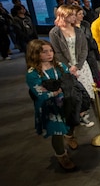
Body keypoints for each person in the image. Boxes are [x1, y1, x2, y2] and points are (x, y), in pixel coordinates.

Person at [25, 39, 77, 170]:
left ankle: (69, 136)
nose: (49, 54)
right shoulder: (33, 73)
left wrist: (60, 88)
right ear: (35, 54)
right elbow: (40, 94)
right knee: (57, 131)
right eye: (44, 52)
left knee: (71, 122)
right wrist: (57, 90)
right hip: (49, 106)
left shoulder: (59, 66)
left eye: (51, 50)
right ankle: (62, 156)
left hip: (65, 101)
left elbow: (68, 81)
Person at [49, 5, 95, 127]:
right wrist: (69, 67)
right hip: (65, 67)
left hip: (81, 65)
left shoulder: (78, 30)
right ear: (63, 16)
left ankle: (83, 114)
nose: (74, 16)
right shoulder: (55, 32)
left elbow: (84, 49)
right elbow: (57, 52)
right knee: (73, 93)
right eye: (71, 15)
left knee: (85, 91)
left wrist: (77, 65)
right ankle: (77, 116)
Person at [74, 6, 100, 92]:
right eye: (79, 14)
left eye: (82, 13)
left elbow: (91, 38)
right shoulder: (71, 28)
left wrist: (97, 52)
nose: (82, 15)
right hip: (79, 54)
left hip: (90, 51)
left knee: (95, 71)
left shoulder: (86, 24)